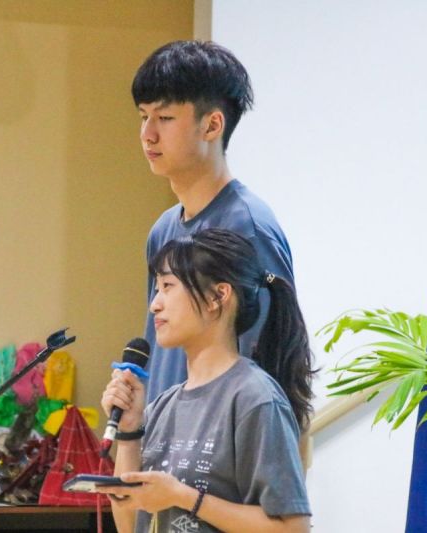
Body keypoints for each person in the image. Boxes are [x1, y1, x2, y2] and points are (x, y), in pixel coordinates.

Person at [99, 229, 312, 533]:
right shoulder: (163, 405)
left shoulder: (254, 397)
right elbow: (131, 525)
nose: (155, 304)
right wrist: (130, 433)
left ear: (217, 296)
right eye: (156, 289)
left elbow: (294, 528)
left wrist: (184, 497)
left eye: (168, 286)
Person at [132, 40, 300, 402]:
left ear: (211, 125)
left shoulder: (248, 227)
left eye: (164, 118)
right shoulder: (163, 230)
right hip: (165, 444)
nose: (148, 133)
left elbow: (272, 371)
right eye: (143, 116)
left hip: (222, 449)